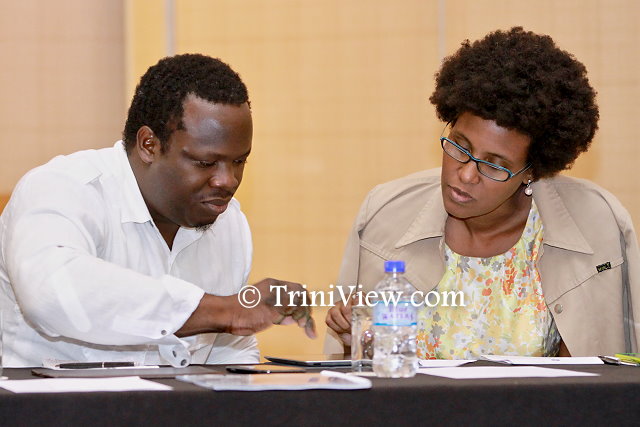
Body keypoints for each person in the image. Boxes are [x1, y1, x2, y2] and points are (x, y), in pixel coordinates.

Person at [325, 27, 640, 358]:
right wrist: (353, 341)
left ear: (532, 170)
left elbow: (594, 370)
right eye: (460, 146)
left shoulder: (595, 223)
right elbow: (351, 367)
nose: (465, 174)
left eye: (494, 164)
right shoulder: (385, 213)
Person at [0, 53, 315, 368]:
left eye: (239, 161)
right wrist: (223, 310)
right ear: (149, 144)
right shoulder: (64, 188)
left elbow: (229, 353)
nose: (228, 180)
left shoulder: (229, 223)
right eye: (206, 162)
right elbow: (52, 295)